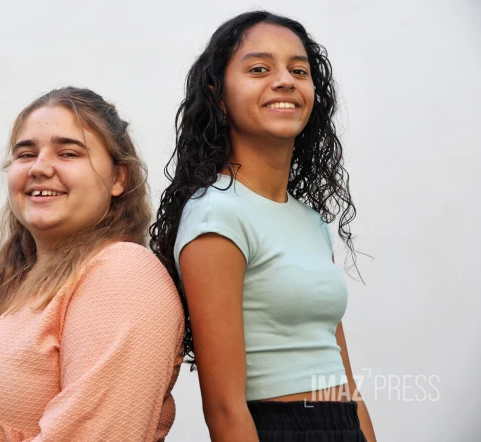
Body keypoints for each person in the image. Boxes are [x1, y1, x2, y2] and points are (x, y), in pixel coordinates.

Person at [0, 87, 184, 442]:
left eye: (69, 153)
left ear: (118, 178)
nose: (40, 168)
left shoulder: (123, 274)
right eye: (25, 154)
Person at [150, 11, 377, 442]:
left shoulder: (310, 221)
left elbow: (342, 378)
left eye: (299, 70)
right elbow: (223, 409)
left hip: (341, 424)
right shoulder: (217, 214)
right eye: (259, 69)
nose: (285, 81)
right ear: (218, 96)